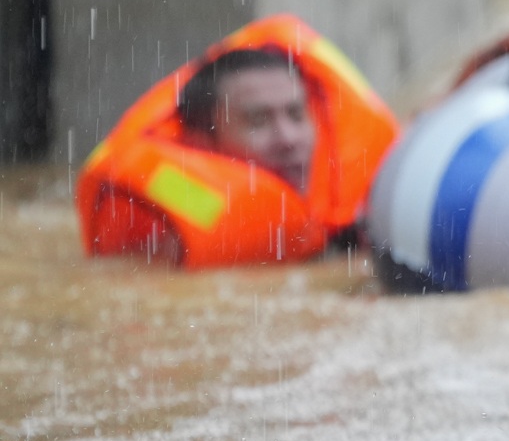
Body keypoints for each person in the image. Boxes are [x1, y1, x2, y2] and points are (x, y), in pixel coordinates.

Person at [76, 15, 398, 268]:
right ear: (200, 143)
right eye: (258, 121)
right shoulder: (161, 254)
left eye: (297, 115)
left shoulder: (369, 208)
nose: (288, 139)